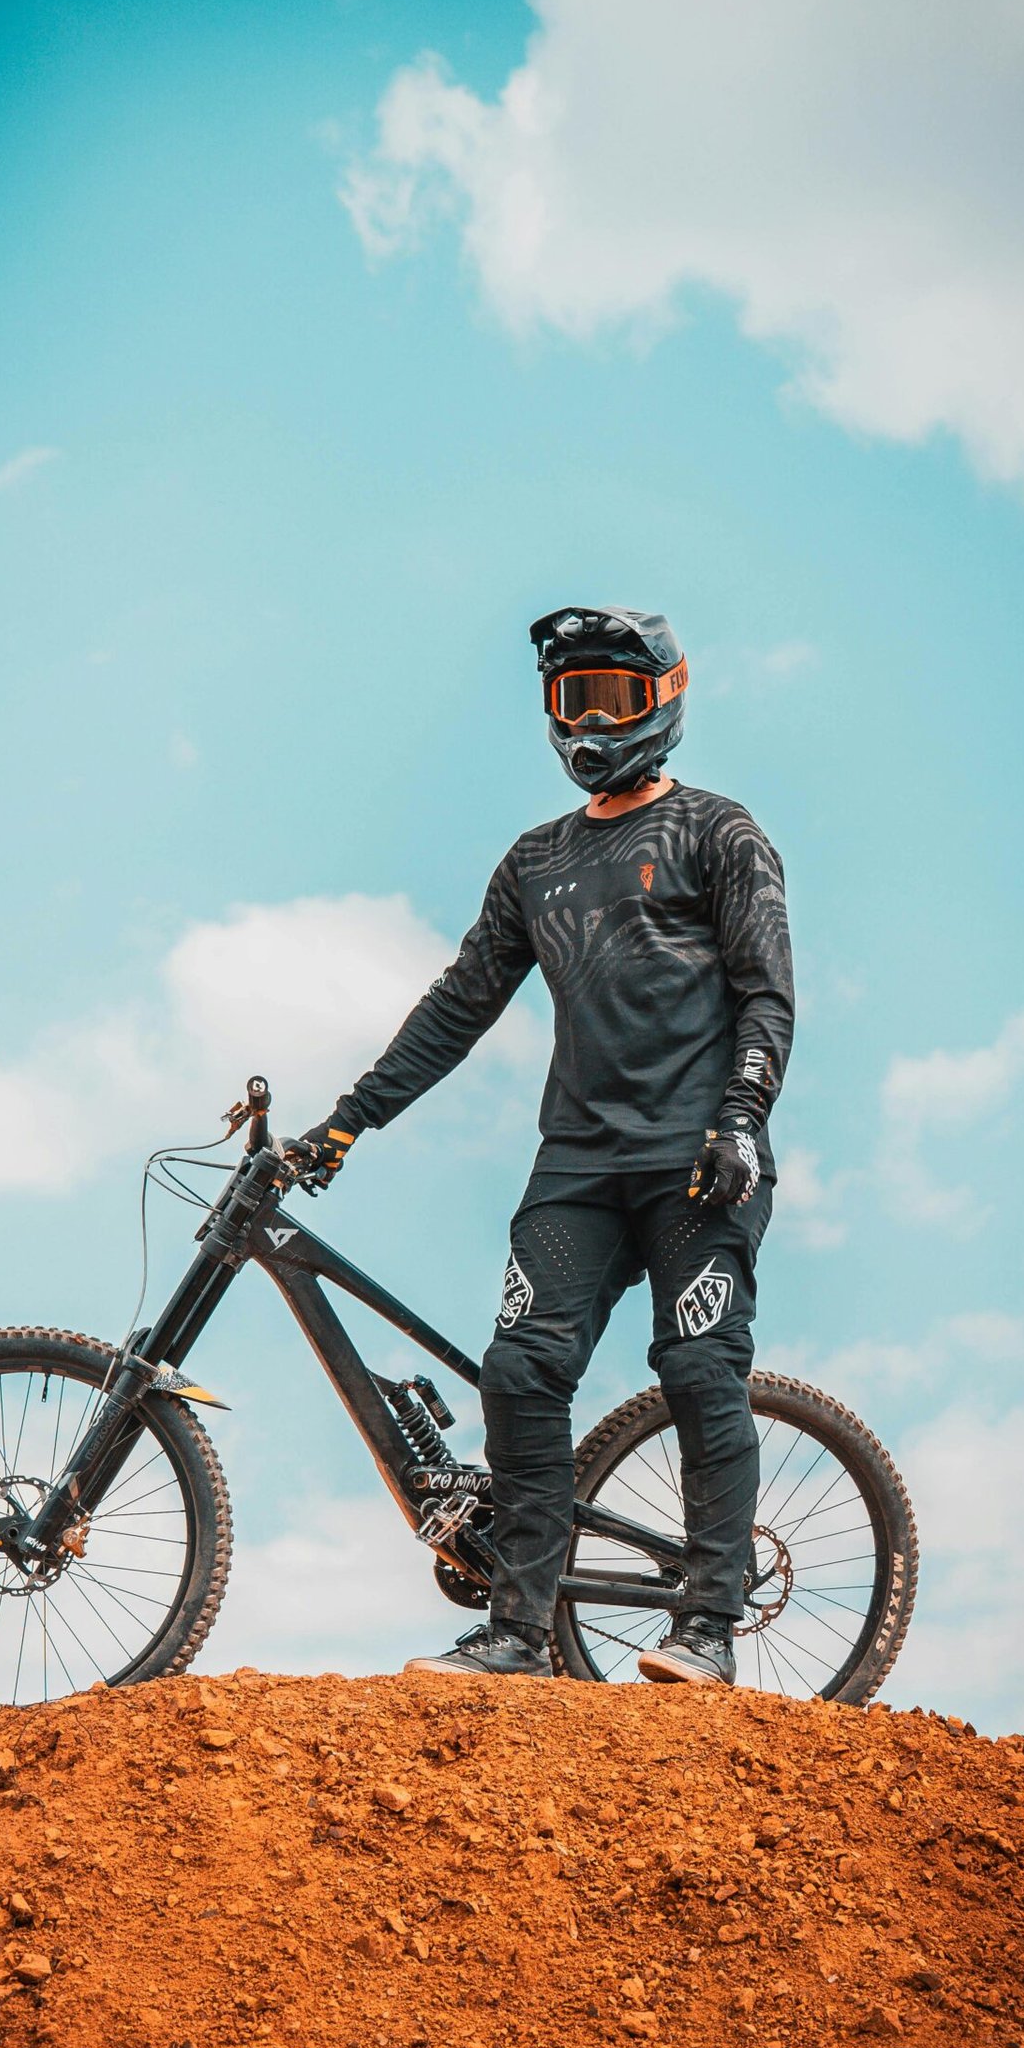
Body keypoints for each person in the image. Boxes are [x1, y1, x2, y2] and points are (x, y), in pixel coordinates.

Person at [298, 605, 793, 1685]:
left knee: (698, 1367)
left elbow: (766, 995)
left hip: (698, 1160)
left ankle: (708, 1627)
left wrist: (742, 1117)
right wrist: (350, 1117)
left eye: (613, 699)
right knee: (520, 1373)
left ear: (664, 701)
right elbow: (459, 1003)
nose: (591, 724)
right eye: (573, 700)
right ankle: (517, 1634)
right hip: (576, 1164)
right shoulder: (537, 862)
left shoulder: (719, 833)